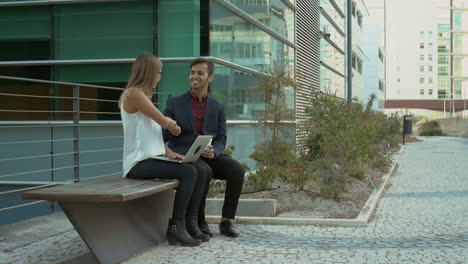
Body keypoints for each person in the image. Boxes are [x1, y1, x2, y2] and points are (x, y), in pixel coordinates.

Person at [120, 54, 210, 246]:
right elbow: (164, 121)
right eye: (159, 72)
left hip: (153, 159)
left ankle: (191, 223)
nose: (160, 77)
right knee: (189, 172)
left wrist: (170, 153)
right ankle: (176, 229)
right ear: (150, 73)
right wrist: (172, 126)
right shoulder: (134, 94)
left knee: (200, 168)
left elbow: (151, 135)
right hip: (137, 164)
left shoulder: (143, 97)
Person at [163, 58, 245, 238]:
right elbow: (164, 133)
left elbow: (221, 137)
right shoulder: (174, 103)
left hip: (208, 154)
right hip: (185, 156)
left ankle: (226, 221)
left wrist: (215, 150)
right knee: (204, 171)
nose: (195, 76)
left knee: (236, 170)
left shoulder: (217, 106)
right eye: (192, 73)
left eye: (200, 73)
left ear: (210, 77)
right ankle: (200, 221)